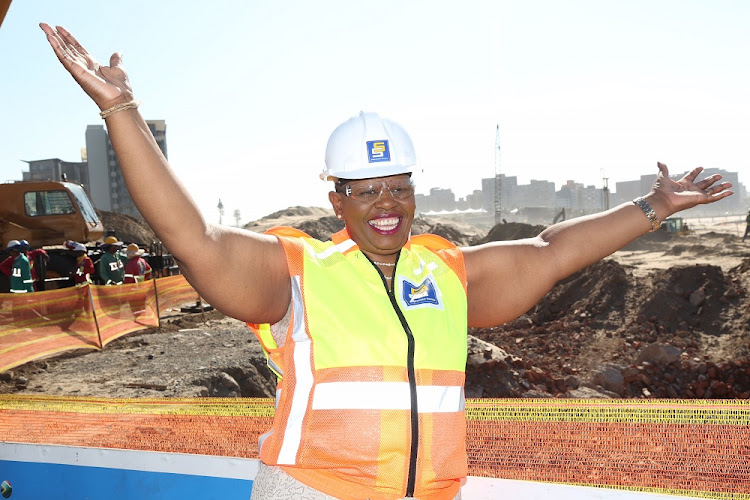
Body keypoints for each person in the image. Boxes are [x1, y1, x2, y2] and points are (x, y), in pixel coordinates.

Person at [40, 24, 733, 500]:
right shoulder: (297, 271)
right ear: (336, 197)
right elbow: (196, 237)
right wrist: (122, 112)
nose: (387, 206)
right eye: (367, 191)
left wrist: (651, 207)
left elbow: (551, 252)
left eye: (399, 189)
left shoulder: (446, 271)